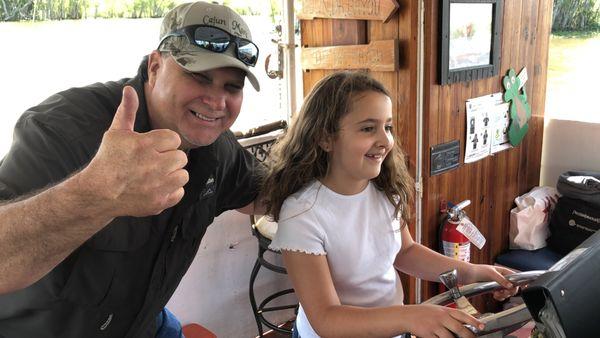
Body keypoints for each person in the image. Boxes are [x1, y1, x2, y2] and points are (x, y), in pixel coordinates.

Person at [0, 2, 263, 337]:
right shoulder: (64, 128)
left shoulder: (215, 149)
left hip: (142, 323)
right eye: (198, 76)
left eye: (232, 87)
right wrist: (95, 195)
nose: (216, 101)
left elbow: (266, 194)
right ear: (155, 66)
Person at [262, 71, 518, 338]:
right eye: (368, 128)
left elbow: (404, 251)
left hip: (392, 329)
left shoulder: (384, 190)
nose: (385, 141)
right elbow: (326, 318)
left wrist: (473, 273)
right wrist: (409, 316)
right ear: (325, 138)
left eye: (388, 127)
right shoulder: (302, 213)